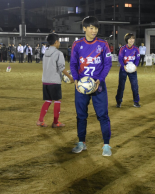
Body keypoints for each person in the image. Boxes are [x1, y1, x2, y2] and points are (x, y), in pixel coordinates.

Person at [70, 16, 113, 156]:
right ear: (84, 28)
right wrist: (76, 79)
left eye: (96, 28)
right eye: (91, 28)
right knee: (81, 115)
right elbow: (73, 64)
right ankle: (81, 142)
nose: (94, 31)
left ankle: (106, 145)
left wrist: (100, 79)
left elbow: (108, 64)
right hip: (82, 86)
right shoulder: (77, 45)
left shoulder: (103, 44)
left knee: (102, 115)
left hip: (98, 85)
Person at [36, 33, 74, 128]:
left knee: (48, 100)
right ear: (56, 42)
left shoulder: (45, 53)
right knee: (57, 100)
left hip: (45, 80)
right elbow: (61, 67)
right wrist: (70, 77)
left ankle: (40, 120)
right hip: (54, 81)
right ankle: (55, 122)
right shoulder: (58, 53)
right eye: (59, 41)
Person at [116, 33, 141, 108]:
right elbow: (120, 58)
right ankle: (119, 101)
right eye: (130, 39)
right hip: (123, 70)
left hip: (132, 71)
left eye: (133, 38)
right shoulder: (123, 49)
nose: (131, 40)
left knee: (135, 86)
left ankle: (136, 102)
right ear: (127, 40)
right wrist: (124, 66)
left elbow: (137, 58)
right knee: (121, 86)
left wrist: (136, 66)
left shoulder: (136, 49)